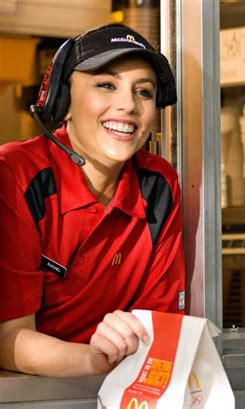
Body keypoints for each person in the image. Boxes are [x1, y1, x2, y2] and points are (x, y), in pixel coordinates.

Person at [0, 24, 185, 377]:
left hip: (115, 387)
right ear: (63, 102)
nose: (128, 105)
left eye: (143, 91)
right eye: (106, 85)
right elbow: (8, 338)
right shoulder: (14, 176)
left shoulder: (158, 185)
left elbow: (158, 325)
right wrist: (92, 359)